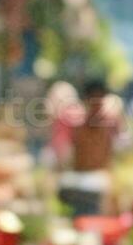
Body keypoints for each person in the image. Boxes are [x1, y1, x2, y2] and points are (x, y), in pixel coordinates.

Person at [51, 80, 124, 217]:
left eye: (99, 100)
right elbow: (62, 150)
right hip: (80, 180)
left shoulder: (111, 124)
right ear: (86, 101)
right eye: (93, 100)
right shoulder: (75, 123)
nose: (96, 105)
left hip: (101, 180)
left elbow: (120, 148)